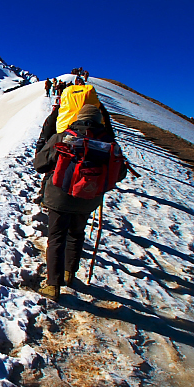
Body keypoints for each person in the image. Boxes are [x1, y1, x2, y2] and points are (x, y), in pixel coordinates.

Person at [32, 102, 126, 300]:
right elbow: (120, 173)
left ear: (78, 118)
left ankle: (52, 286)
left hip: (60, 196)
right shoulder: (109, 144)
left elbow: (40, 165)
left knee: (56, 238)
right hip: (89, 198)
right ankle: (69, 274)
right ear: (99, 122)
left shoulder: (64, 138)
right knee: (76, 234)